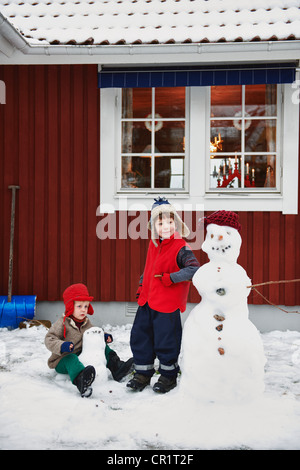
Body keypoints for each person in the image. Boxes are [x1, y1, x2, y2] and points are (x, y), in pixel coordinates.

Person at [127, 197, 200, 394]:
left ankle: (168, 376)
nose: (166, 226)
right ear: (154, 226)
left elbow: (194, 269)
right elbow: (149, 268)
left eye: (169, 222)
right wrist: (142, 284)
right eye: (161, 223)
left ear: (175, 223)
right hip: (147, 301)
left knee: (166, 339)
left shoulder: (180, 246)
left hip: (167, 305)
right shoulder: (154, 244)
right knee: (140, 336)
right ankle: (143, 373)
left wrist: (172, 278)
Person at [45, 283, 134, 397]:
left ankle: (117, 368)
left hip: (81, 354)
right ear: (70, 306)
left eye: (86, 306)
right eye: (79, 306)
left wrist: (103, 337)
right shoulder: (62, 323)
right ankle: (81, 381)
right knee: (70, 358)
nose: (83, 310)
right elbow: (49, 339)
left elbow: (93, 333)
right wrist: (62, 345)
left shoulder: (86, 322)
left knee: (104, 347)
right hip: (62, 359)